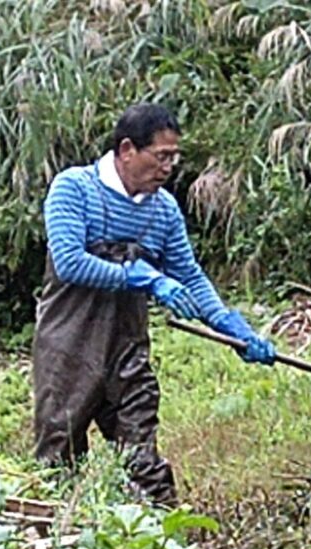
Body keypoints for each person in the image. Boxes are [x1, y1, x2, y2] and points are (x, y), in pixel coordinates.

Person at [33, 102, 276, 506]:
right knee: (59, 460)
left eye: (174, 158)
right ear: (127, 150)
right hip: (67, 350)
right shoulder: (73, 188)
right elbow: (70, 261)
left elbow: (189, 275)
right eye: (162, 157)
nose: (169, 168)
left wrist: (232, 327)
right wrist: (140, 276)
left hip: (126, 351)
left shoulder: (163, 211)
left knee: (142, 457)